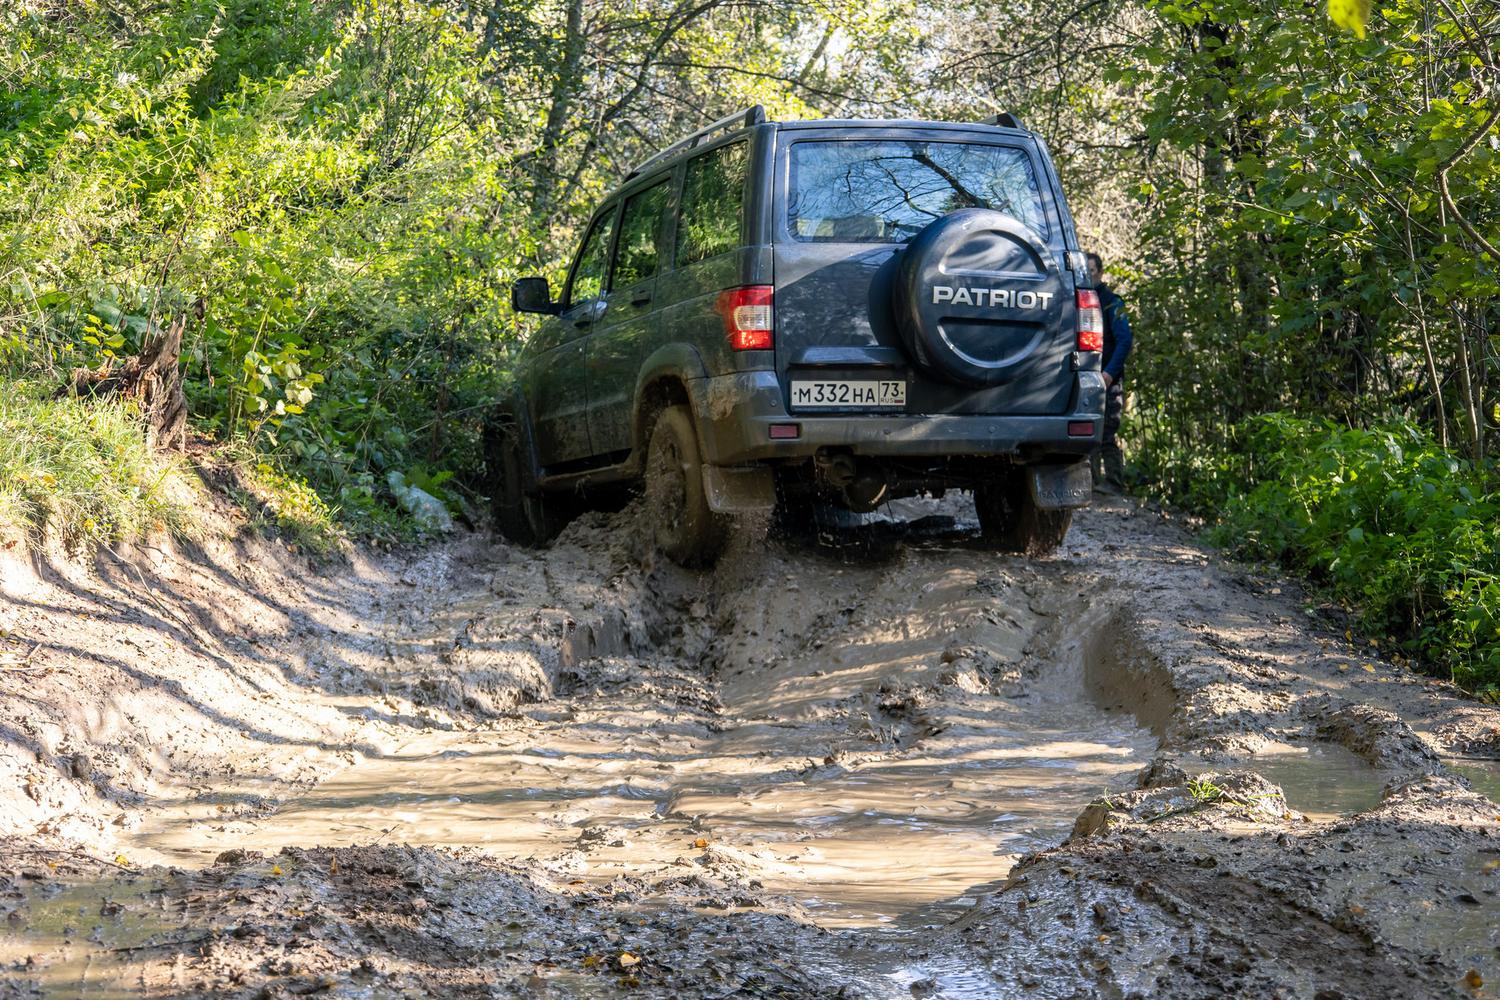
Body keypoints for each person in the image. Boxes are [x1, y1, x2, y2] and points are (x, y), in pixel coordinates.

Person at [1087, 252, 1133, 493]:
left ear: (1100, 273)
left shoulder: (1112, 302)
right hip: (1086, 378)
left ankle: (1114, 482)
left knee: (1107, 432)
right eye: (1084, 271)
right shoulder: (1079, 300)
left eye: (1091, 271)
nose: (1088, 275)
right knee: (1087, 432)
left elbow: (1125, 340)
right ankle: (1092, 484)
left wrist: (1109, 374)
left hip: (1108, 379)